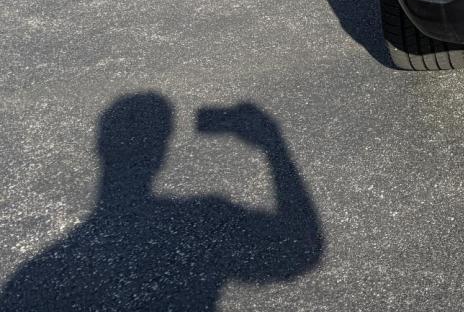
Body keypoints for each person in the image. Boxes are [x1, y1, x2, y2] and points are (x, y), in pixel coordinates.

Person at [1, 94, 324, 312]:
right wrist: (274, 146)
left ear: (100, 147)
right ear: (161, 152)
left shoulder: (30, 278)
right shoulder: (202, 219)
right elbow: (300, 249)